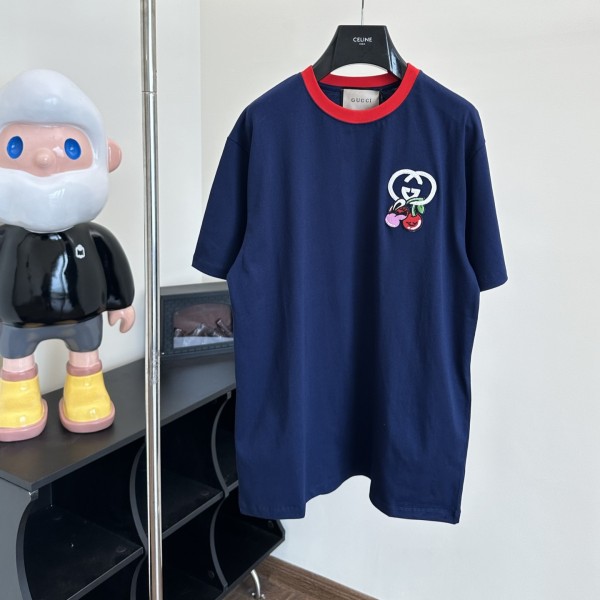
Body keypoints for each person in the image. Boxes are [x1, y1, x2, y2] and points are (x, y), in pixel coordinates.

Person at [0, 70, 135, 441]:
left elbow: (111, 262)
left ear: (108, 156)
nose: (44, 158)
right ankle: (17, 396)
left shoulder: (91, 235)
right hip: (16, 319)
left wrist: (121, 302)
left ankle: (86, 389)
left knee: (86, 352)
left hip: (83, 313)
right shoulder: (6, 236)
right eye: (16, 147)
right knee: (15, 361)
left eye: (70, 148)